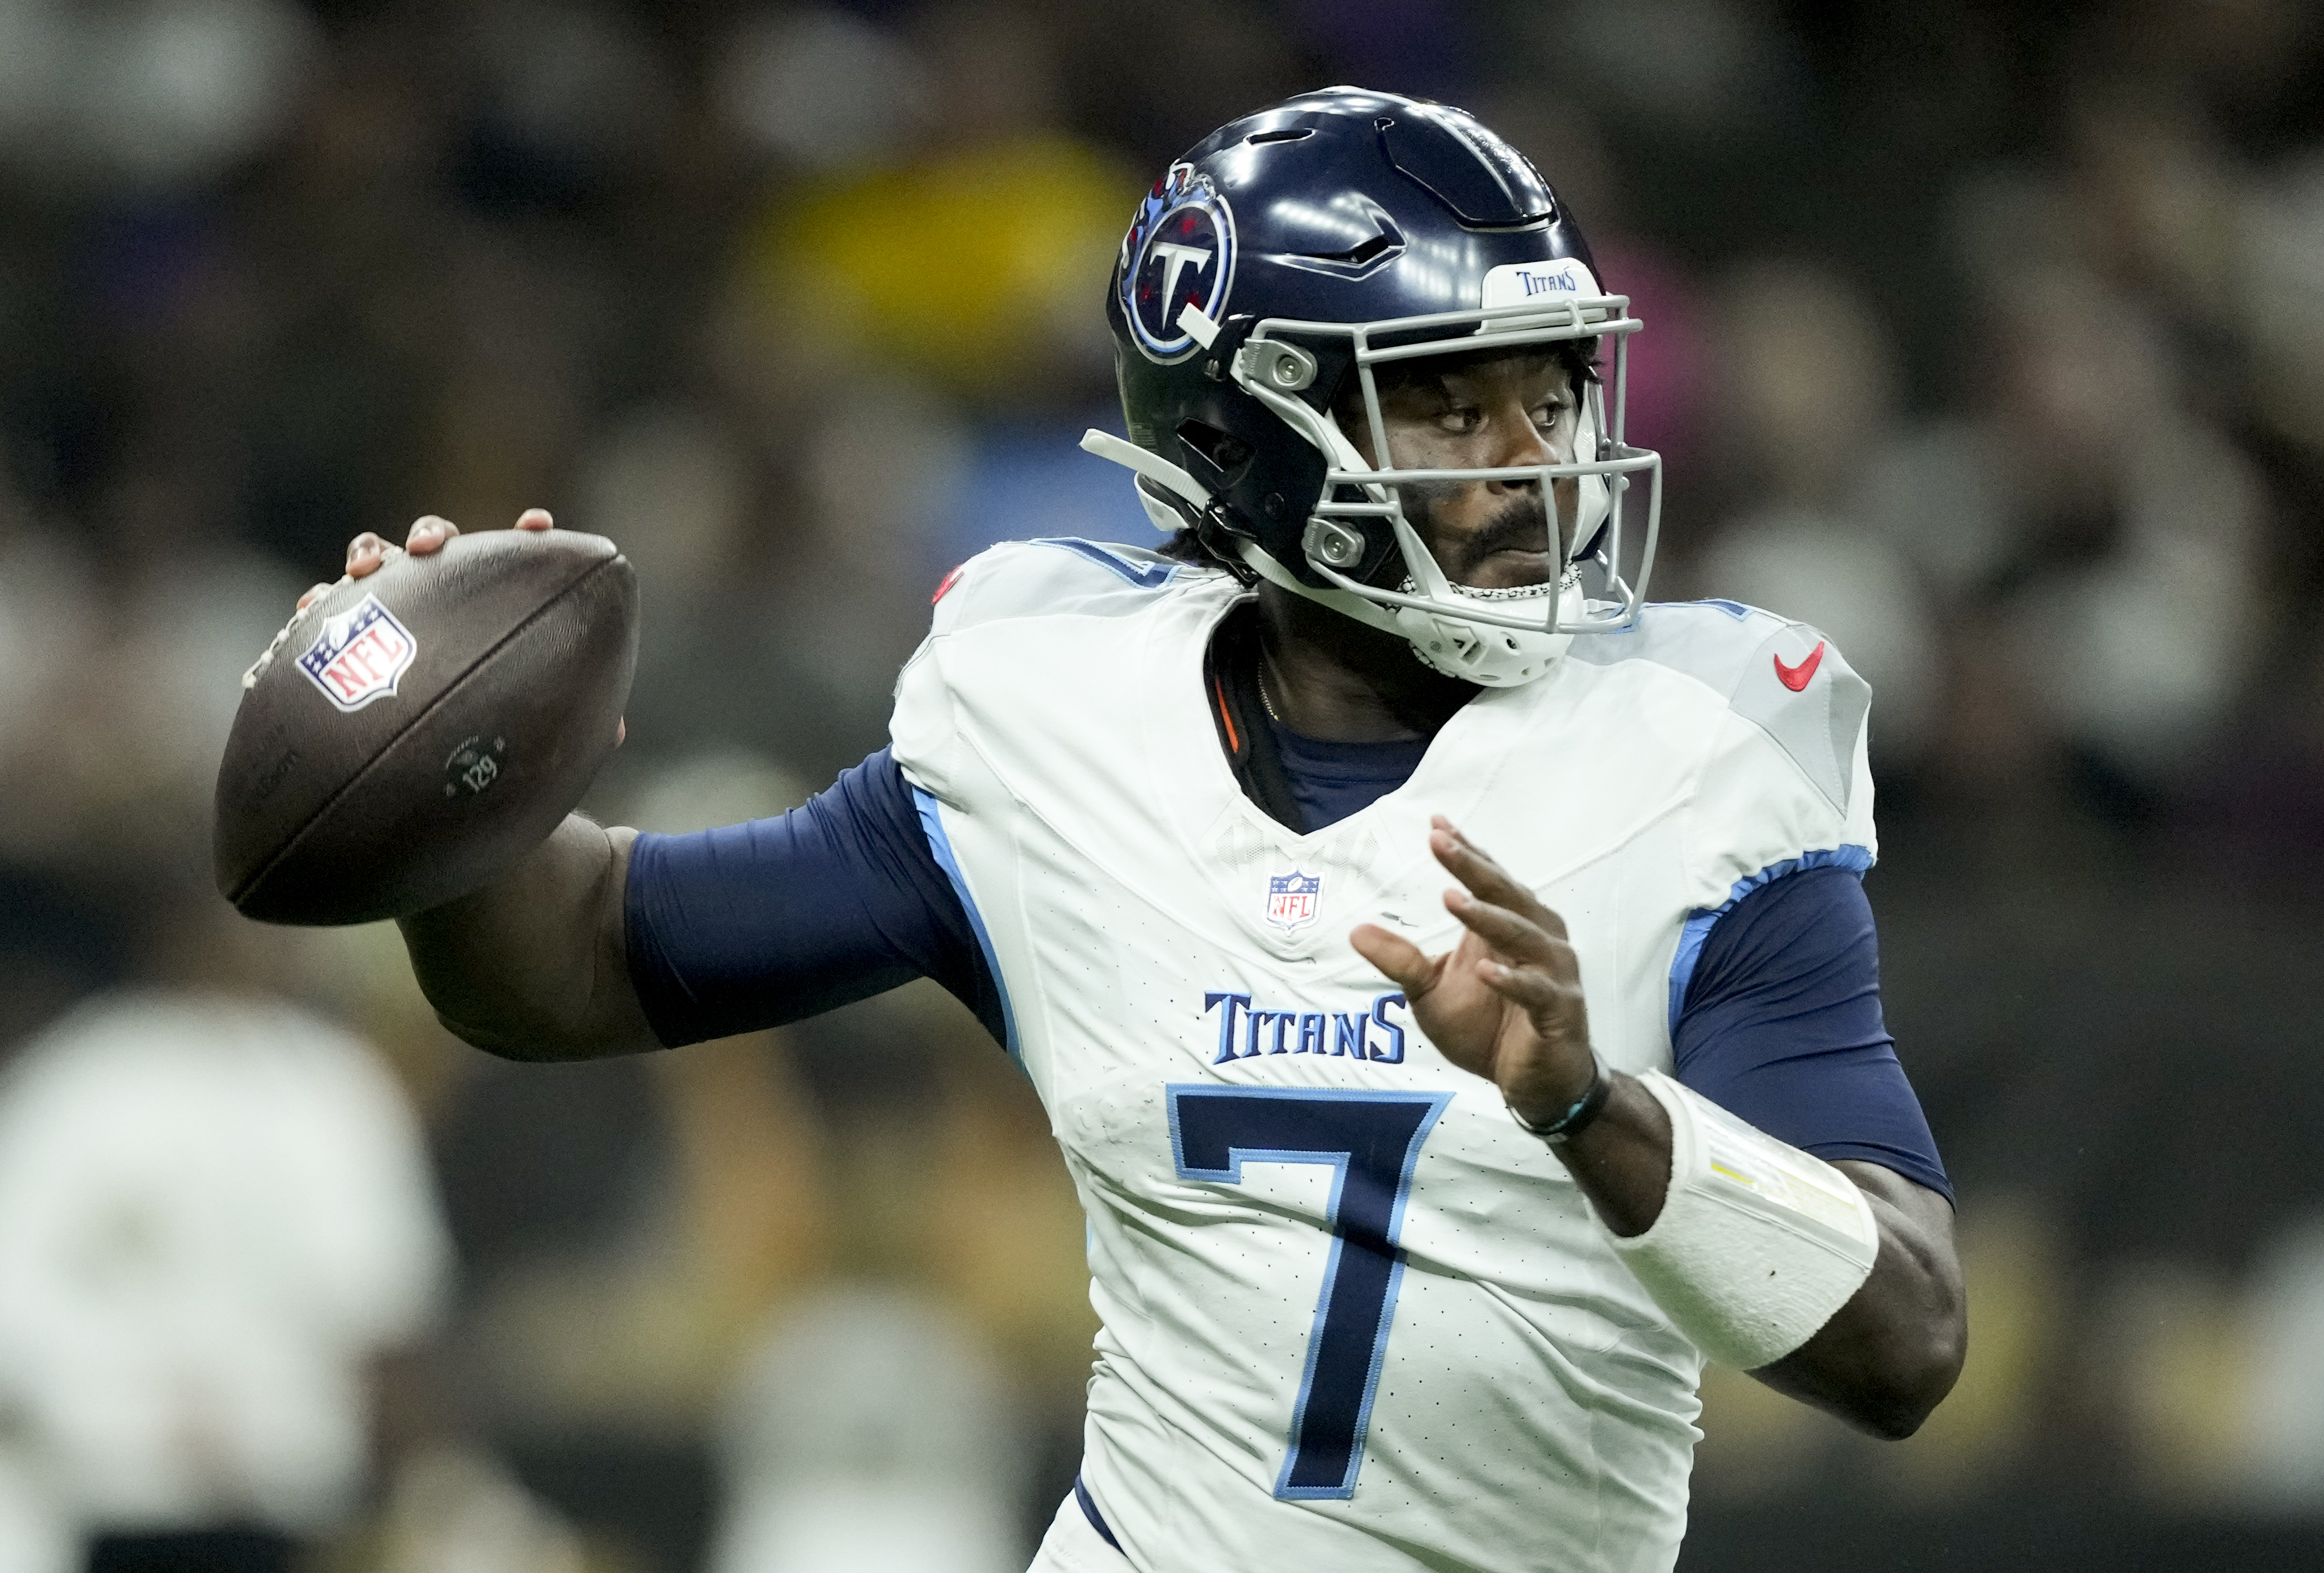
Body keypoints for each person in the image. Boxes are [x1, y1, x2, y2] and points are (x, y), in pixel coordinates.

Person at [302, 88, 1963, 1573]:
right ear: (1250, 437)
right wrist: (451, 766)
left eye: (1554, 397)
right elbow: (574, 966)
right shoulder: (1061, 716)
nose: (1537, 468)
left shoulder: (1692, 749)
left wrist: (1595, 1109)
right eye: (1457, 410)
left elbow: (1908, 1341)